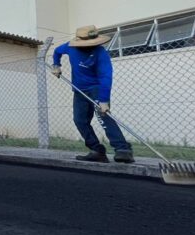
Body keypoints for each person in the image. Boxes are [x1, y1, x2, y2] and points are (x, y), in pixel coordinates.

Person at [52, 25, 134, 163]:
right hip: (78, 90)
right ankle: (97, 150)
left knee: (104, 117)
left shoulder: (100, 53)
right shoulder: (70, 47)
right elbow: (56, 52)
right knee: (80, 120)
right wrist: (56, 65)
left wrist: (104, 100)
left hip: (96, 89)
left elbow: (105, 76)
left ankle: (123, 150)